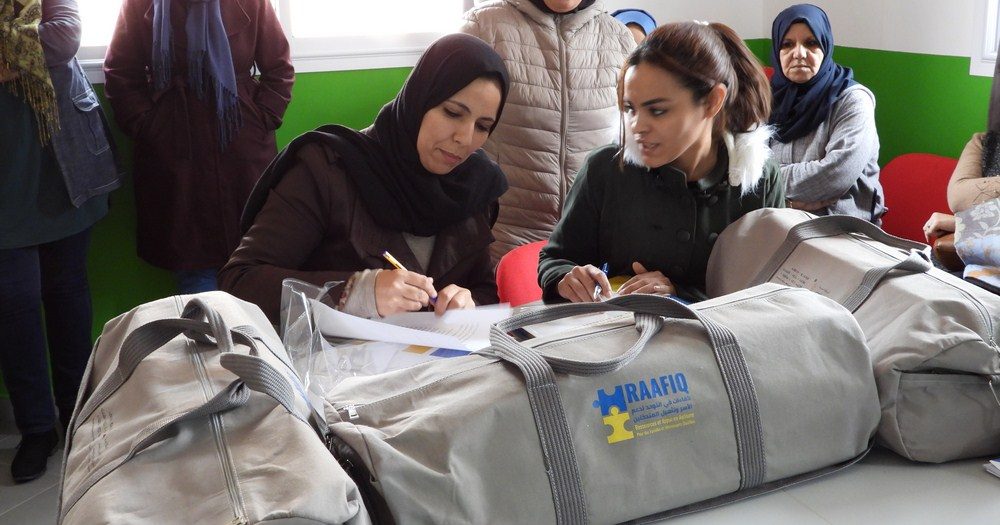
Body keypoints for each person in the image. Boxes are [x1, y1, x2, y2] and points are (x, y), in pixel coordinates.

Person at [219, 34, 509, 322]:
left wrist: (469, 302)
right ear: (420, 99)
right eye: (453, 113)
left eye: (483, 126)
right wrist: (354, 292)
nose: (465, 138)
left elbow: (483, 290)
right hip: (328, 350)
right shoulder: (327, 168)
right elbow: (240, 282)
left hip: (436, 353)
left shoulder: (475, 185)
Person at [538, 21, 784, 304]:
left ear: (712, 101)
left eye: (657, 110)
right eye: (630, 108)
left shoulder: (759, 177)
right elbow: (557, 258)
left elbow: (772, 294)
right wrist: (567, 279)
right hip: (617, 329)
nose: (636, 126)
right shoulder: (605, 168)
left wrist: (680, 294)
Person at [0, 0, 121, 483]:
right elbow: (44, 42)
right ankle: (36, 428)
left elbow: (65, 36)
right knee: (14, 303)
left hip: (62, 163)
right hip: (6, 175)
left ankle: (77, 414)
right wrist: (24, 48)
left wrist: (9, 56)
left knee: (67, 293)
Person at [103, 0, 294, 293]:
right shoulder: (140, 4)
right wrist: (149, 126)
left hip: (241, 145)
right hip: (175, 148)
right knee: (195, 272)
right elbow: (120, 72)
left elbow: (279, 67)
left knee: (253, 263)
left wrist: (262, 117)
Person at [461, 0, 635, 264]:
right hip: (502, 239)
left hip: (588, 245)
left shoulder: (619, 38)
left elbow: (630, 144)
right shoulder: (483, 27)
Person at [768, 4, 884, 223]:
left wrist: (768, 183)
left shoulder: (853, 100)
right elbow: (741, 169)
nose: (799, 53)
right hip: (777, 221)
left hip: (841, 229)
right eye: (787, 44)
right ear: (776, 50)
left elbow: (835, 175)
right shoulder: (766, 98)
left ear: (826, 46)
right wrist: (789, 202)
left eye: (811, 43)